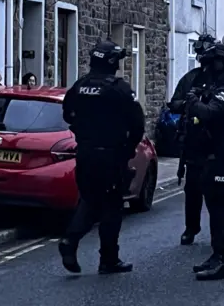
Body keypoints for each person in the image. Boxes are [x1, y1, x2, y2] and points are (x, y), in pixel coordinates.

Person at [58, 39, 145, 275]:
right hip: (110, 155)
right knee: (111, 207)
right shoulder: (120, 89)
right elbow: (138, 124)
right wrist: (128, 148)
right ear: (111, 62)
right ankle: (108, 259)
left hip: (85, 154)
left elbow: (68, 115)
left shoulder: (79, 86)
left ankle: (70, 240)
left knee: (89, 200)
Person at [182, 42, 224, 281]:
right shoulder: (217, 87)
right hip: (211, 154)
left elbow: (208, 113)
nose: (205, 69)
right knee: (213, 204)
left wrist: (193, 102)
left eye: (209, 64)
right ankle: (218, 254)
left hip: (222, 155)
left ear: (218, 65)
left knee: (219, 207)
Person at [168, 33, 214, 246]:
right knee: (192, 188)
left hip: (216, 141)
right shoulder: (191, 78)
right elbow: (174, 103)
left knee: (216, 191)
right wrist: (187, 104)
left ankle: (219, 233)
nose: (202, 59)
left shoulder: (223, 81)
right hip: (194, 141)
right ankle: (191, 228)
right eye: (200, 54)